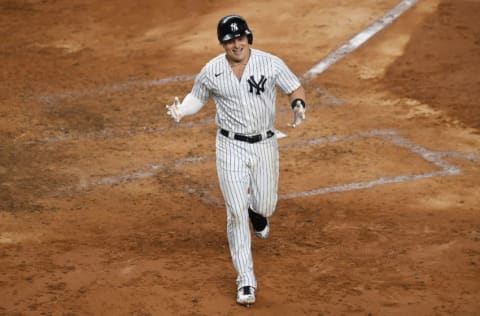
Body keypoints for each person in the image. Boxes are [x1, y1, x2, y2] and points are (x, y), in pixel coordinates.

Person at [166, 14, 306, 306]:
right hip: (230, 146)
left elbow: (294, 86)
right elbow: (196, 97)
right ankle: (246, 280)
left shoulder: (270, 63)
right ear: (222, 43)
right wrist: (183, 111)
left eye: (240, 38)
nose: (236, 44)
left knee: (266, 203)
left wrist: (298, 104)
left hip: (265, 143)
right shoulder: (212, 70)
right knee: (235, 212)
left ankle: (258, 211)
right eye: (229, 40)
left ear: (248, 37)